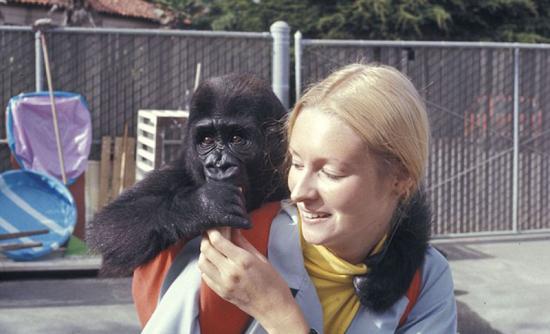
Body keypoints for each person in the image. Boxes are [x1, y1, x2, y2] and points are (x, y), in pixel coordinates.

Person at [142, 63, 457, 333]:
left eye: (330, 173)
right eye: (295, 163)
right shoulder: (235, 251)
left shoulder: (426, 277)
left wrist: (279, 315)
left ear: (400, 179)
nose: (298, 192)